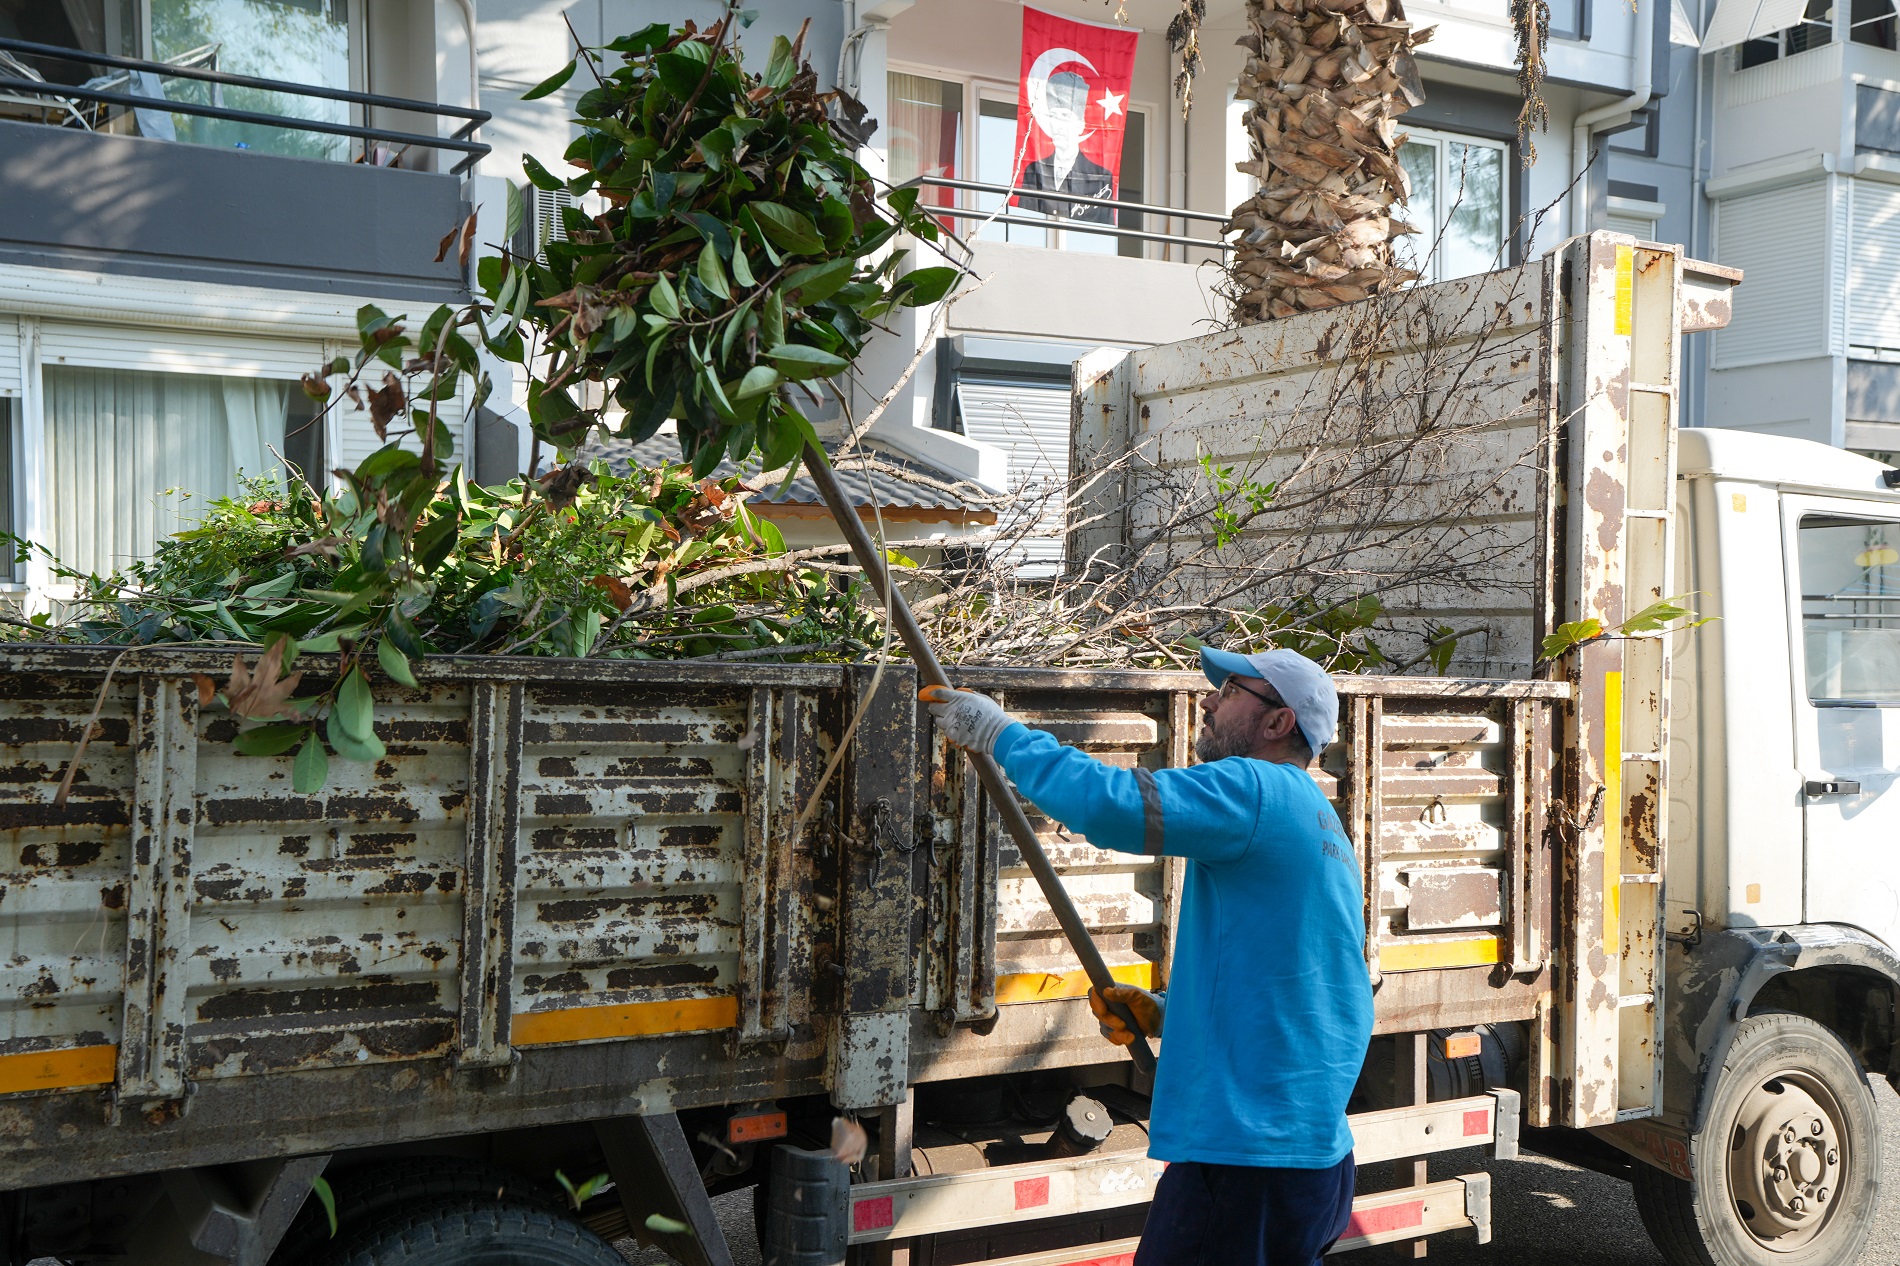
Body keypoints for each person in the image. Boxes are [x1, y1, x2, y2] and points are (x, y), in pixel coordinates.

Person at [920, 646, 1372, 1266]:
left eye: (1231, 690)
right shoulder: (1314, 816)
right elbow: (1293, 982)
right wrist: (1171, 1015)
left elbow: (1111, 806)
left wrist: (999, 734)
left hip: (1251, 1157)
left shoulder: (1256, 789)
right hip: (1300, 1153)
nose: (1208, 702)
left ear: (1278, 723)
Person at [1016, 69, 1116, 223]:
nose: (1059, 125)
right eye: (1054, 116)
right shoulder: (1034, 170)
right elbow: (1024, 219)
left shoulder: (1100, 177)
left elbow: (1102, 228)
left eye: (1066, 117)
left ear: (1081, 125)